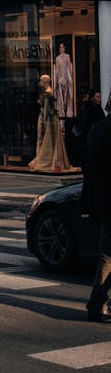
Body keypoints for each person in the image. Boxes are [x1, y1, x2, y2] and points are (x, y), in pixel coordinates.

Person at [81, 112, 111, 322]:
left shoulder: (98, 129)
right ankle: (96, 302)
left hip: (103, 199)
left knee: (107, 252)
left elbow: (87, 166)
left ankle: (96, 304)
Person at [29, 74, 76, 173]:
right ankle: (46, 159)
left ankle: (46, 160)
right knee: (47, 139)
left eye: (42, 81)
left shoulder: (48, 93)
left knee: (46, 139)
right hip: (48, 118)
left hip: (47, 118)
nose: (40, 83)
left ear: (45, 82)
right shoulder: (48, 92)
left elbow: (46, 109)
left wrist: (44, 121)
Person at [54, 42, 74, 121]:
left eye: (62, 47)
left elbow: (69, 68)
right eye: (60, 47)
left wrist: (70, 79)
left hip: (67, 80)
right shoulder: (57, 58)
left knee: (68, 99)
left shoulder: (67, 56)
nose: (61, 49)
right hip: (60, 80)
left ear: (64, 48)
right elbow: (57, 71)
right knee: (61, 100)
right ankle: (62, 119)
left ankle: (68, 116)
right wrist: (57, 82)